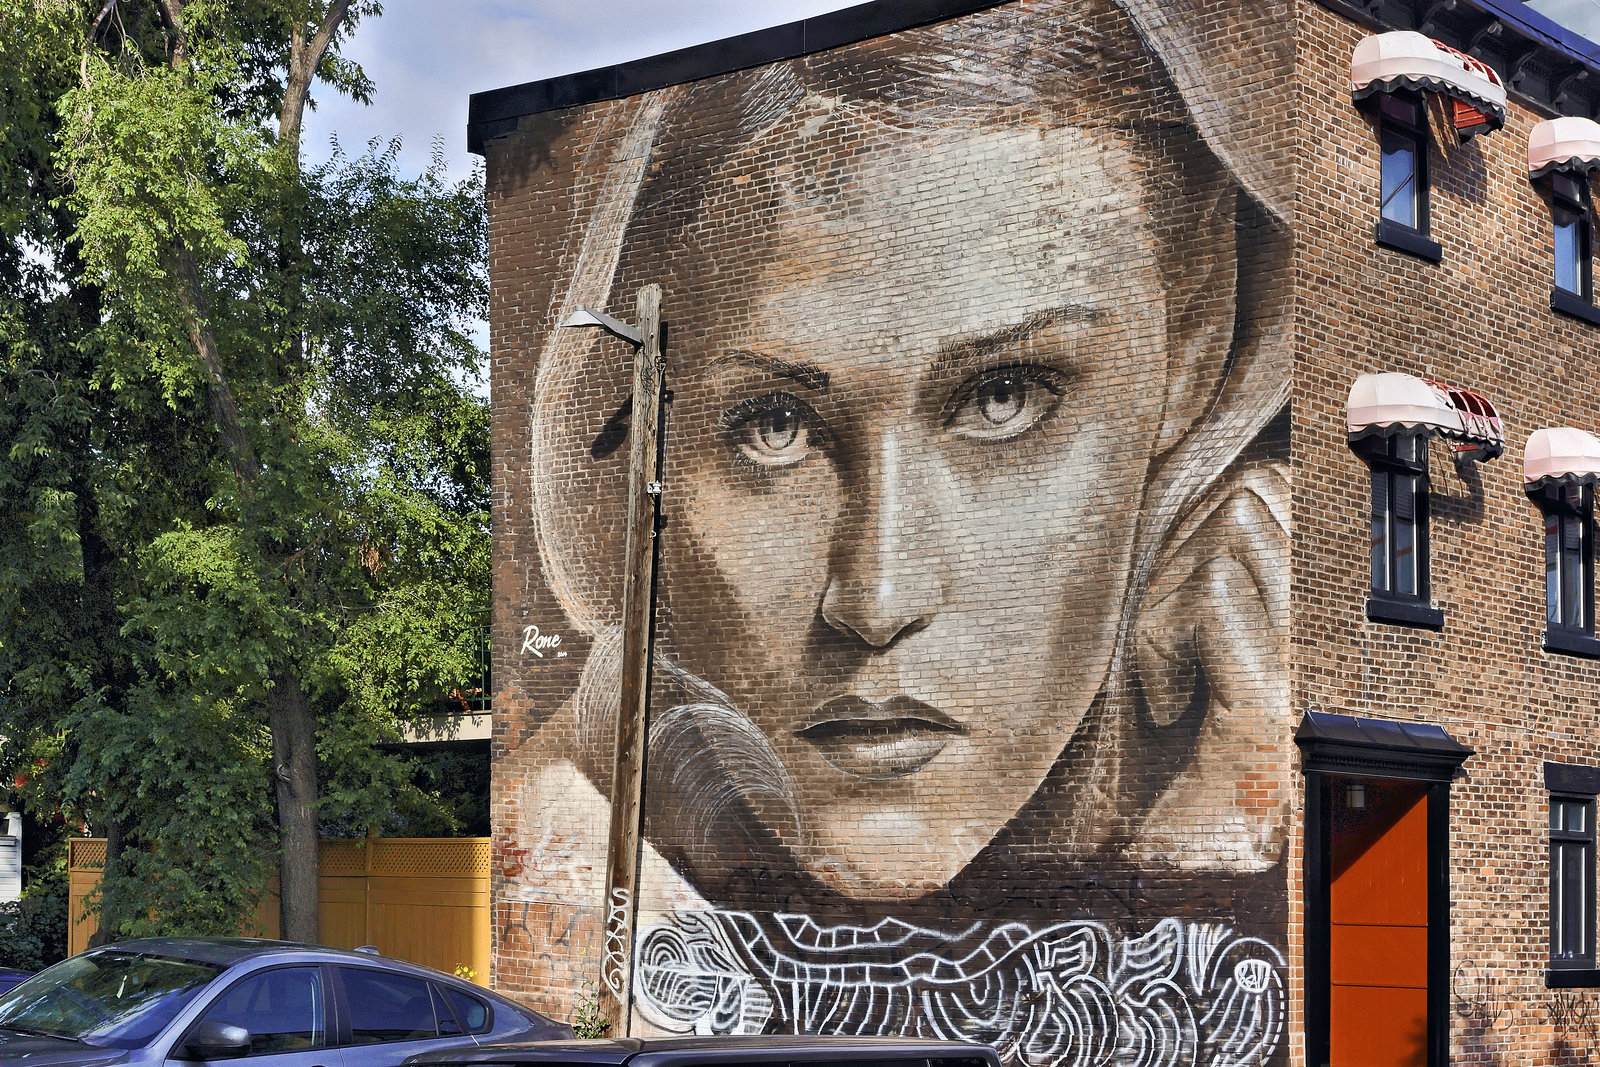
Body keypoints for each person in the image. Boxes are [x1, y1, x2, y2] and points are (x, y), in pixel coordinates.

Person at [503, 0, 1291, 1058]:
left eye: (1005, 397)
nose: (875, 595)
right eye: (771, 426)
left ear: (1196, 336)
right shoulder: (578, 859)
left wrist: (1218, 817)